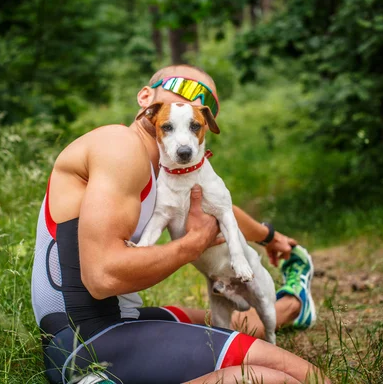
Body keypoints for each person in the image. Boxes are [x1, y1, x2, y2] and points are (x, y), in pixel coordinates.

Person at [31, 64, 330, 384]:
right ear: (147, 96)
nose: (192, 104)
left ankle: (294, 304)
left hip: (117, 321)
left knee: (238, 320)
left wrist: (269, 237)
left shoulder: (165, 168)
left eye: (207, 106)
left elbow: (221, 207)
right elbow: (102, 277)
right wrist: (192, 245)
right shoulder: (119, 145)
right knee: (294, 376)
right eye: (187, 90)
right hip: (86, 338)